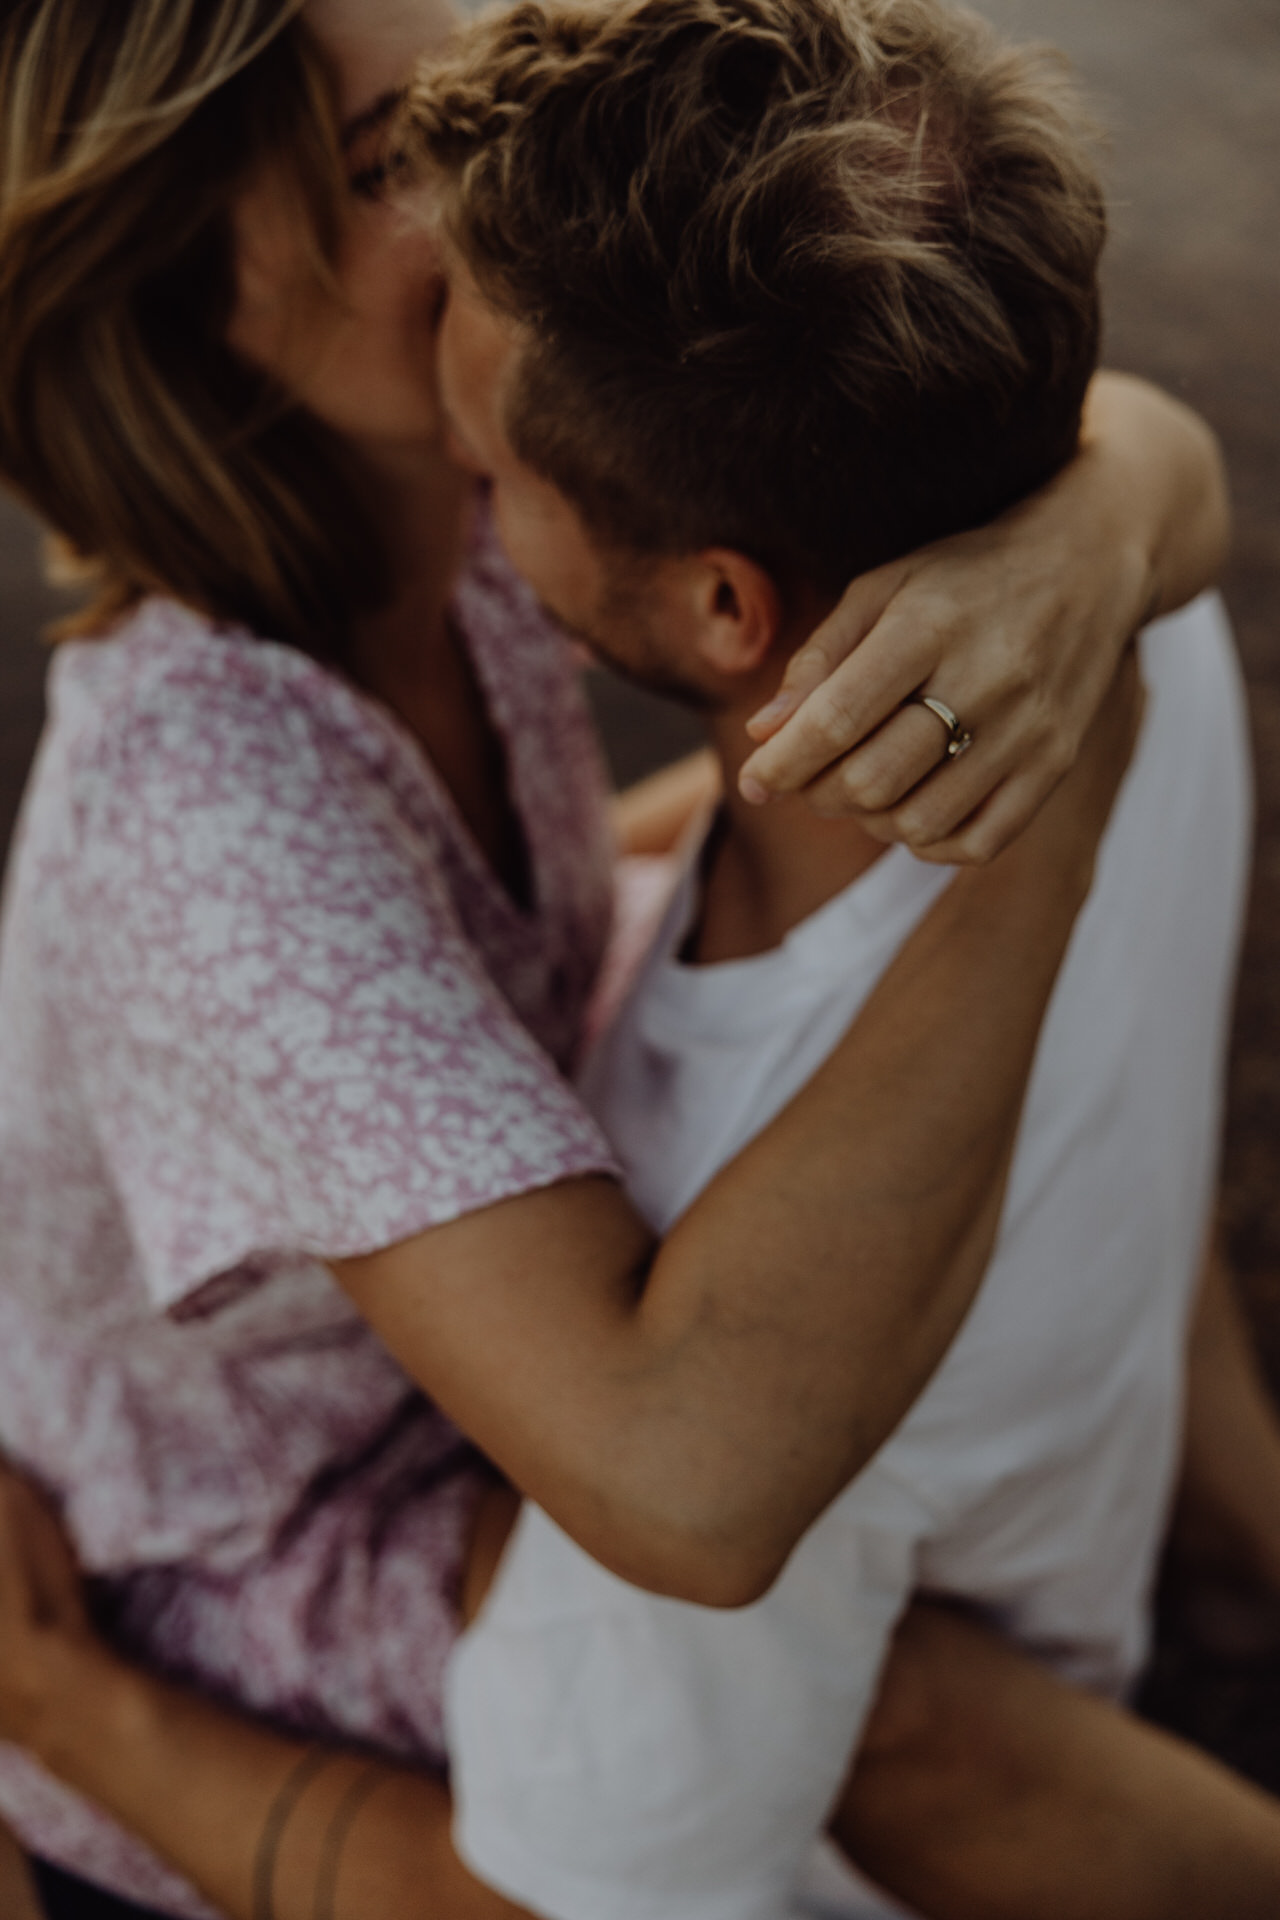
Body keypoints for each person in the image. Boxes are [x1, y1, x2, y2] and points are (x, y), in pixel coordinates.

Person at [0, 0, 1247, 1915]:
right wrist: (1043, 797)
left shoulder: (464, 501)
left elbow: (525, 887)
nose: (479, 185)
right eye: (385, 163)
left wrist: (1082, 549)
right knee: (856, 1692)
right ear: (174, 285)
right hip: (270, 1529)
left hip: (486, 1289)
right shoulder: (209, 808)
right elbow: (682, 1488)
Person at [393, 1, 1266, 1915]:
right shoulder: (1126, 641)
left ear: (724, 604)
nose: (465, 495)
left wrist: (57, 1704)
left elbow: (594, 1878)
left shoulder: (723, 1226)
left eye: (492, 468)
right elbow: (1141, 462)